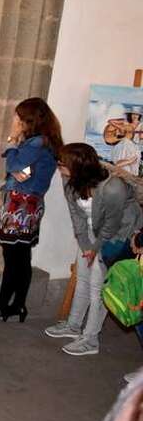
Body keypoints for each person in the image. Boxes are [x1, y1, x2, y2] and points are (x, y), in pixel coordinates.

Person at [44, 143, 143, 356]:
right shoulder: (68, 178)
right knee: (83, 277)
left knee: (99, 287)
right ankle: (73, 326)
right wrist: (85, 246)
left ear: (78, 167)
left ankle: (90, 340)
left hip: (119, 235)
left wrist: (95, 250)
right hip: (92, 230)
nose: (58, 166)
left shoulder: (113, 187)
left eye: (62, 163)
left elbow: (112, 224)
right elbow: (76, 215)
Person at [0, 97, 64, 322]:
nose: (15, 119)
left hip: (20, 207)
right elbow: (21, 173)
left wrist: (12, 142)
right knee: (21, 257)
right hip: (29, 204)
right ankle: (18, 305)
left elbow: (15, 167)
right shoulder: (43, 142)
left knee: (13, 259)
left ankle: (3, 304)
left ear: (28, 120)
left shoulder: (36, 143)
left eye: (18, 116)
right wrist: (17, 167)